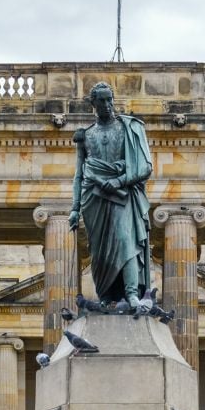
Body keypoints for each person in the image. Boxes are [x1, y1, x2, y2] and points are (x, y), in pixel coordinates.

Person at [68, 82, 152, 308]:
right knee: (99, 253)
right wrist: (75, 208)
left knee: (126, 240)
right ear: (92, 104)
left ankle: (132, 293)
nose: (107, 105)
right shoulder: (85, 136)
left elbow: (144, 167)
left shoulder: (129, 128)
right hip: (93, 198)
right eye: (101, 101)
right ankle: (105, 296)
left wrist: (118, 181)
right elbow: (79, 174)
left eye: (109, 100)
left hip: (122, 194)